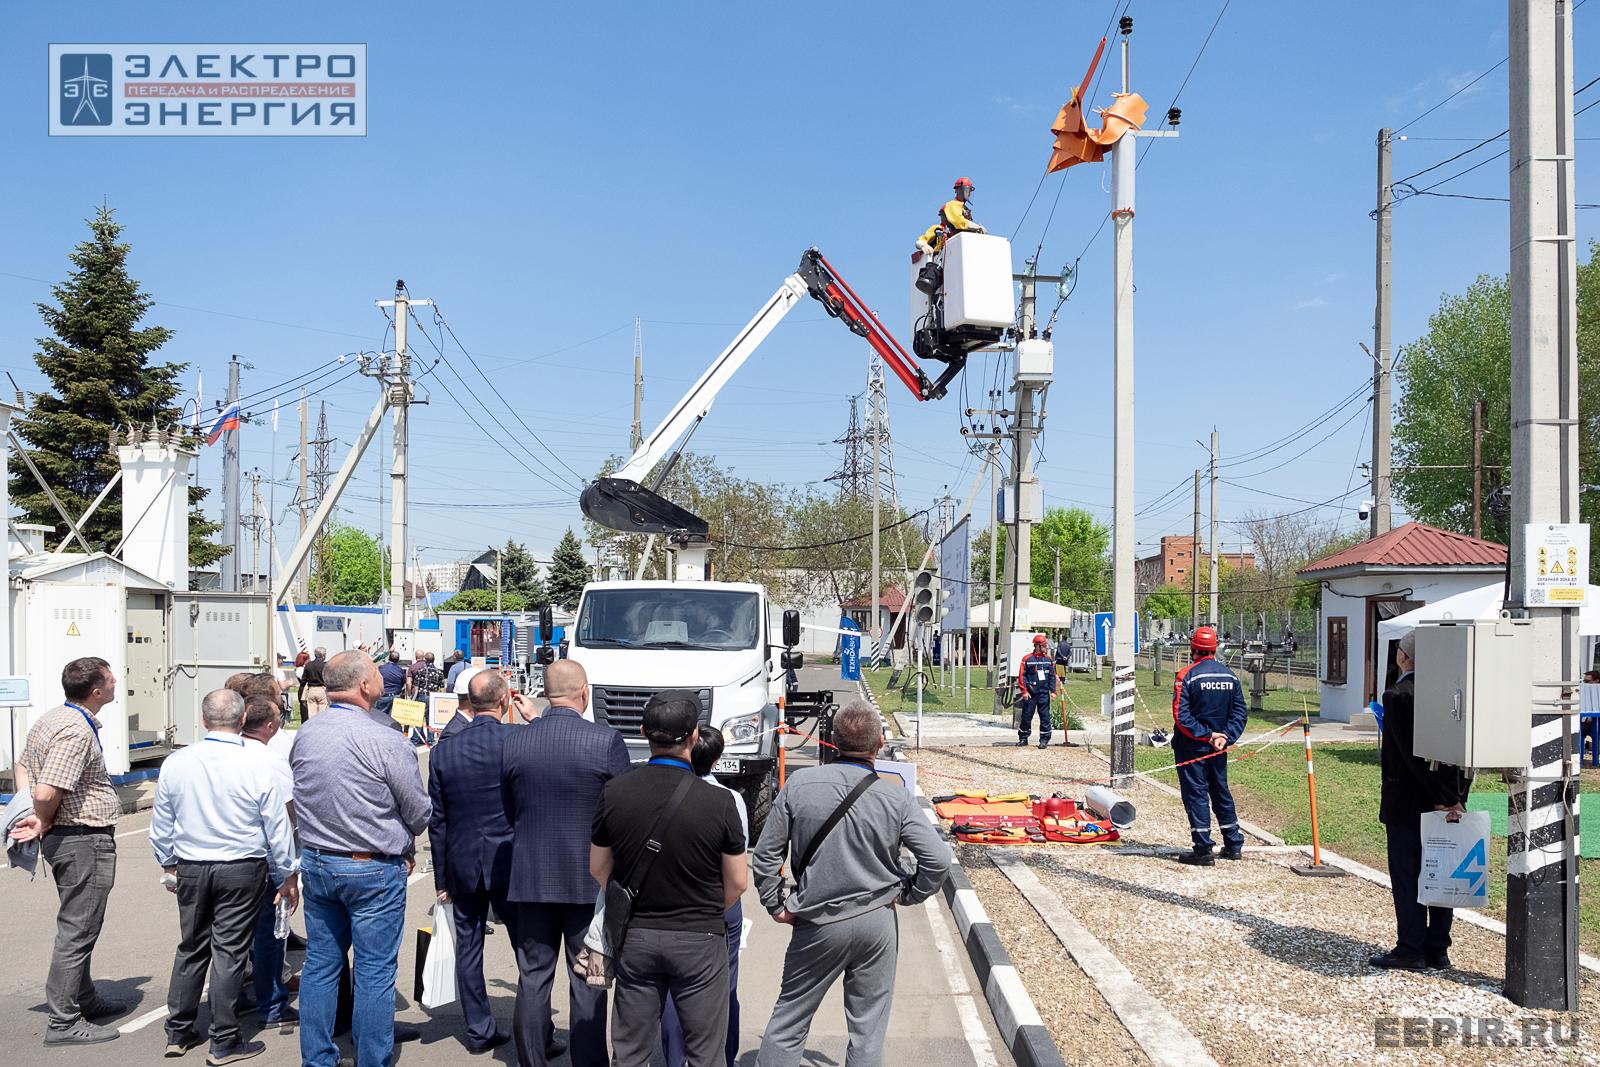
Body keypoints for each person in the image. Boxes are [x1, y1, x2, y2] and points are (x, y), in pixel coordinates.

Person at [752, 701, 950, 1067]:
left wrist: (775, 903)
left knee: (790, 1019)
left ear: (832, 741)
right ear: (877, 747)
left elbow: (766, 856)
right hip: (877, 919)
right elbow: (937, 859)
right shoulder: (895, 796)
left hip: (816, 920)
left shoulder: (799, 786)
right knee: (868, 1027)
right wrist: (909, 892)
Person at [290, 650, 431, 1067]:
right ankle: (372, 1059)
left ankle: (317, 1058)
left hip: (318, 861)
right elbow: (419, 811)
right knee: (373, 972)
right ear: (365, 685)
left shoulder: (307, 734)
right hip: (371, 867)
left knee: (320, 965)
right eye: (374, 676)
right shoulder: (385, 739)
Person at [590, 692, 747, 1067]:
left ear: (644, 731)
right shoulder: (719, 801)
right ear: (694, 736)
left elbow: (598, 867)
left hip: (636, 936)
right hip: (700, 937)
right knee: (705, 1051)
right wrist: (707, 907)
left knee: (630, 1050)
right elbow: (738, 882)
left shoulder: (616, 792)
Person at [151, 689, 299, 1063]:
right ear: (242, 718)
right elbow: (276, 826)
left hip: (191, 864)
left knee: (192, 946)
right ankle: (224, 1038)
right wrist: (287, 873)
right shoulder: (257, 763)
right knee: (230, 951)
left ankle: (179, 1030)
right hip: (241, 864)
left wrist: (168, 861)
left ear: (203, 721)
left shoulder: (177, 761)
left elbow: (162, 820)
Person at [503, 660, 629, 1067]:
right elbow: (621, 814)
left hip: (531, 875)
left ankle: (531, 1060)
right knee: (587, 976)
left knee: (533, 977)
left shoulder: (516, 741)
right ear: (584, 691)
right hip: (588, 879)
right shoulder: (605, 740)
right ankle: (589, 1062)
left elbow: (509, 808)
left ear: (546, 692)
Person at [8, 656, 128, 1046]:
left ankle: (83, 997)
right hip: (81, 838)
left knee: (80, 922)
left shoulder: (53, 718)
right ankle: (63, 1021)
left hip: (71, 838)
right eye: (111, 680)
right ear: (96, 691)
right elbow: (46, 790)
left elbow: (23, 765)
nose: (115, 683)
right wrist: (40, 816)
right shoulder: (76, 731)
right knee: (78, 929)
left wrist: (34, 810)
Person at [427, 669, 522, 1055]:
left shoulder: (444, 749)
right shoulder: (518, 741)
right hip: (511, 859)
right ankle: (538, 1030)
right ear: (503, 701)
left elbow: (439, 820)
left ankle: (479, 1030)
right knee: (529, 950)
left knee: (468, 947)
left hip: (462, 860)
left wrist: (440, 877)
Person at [1372, 630, 1470, 971]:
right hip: (1451, 799)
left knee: (1408, 874)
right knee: (1442, 874)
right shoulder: (1453, 693)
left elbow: (1412, 755)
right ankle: (1438, 948)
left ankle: (1410, 946)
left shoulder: (1398, 695)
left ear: (1403, 657)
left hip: (1409, 801)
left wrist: (1439, 797)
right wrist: (1454, 796)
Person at [660, 726, 747, 1067]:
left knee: (672, 989)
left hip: (673, 899)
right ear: (717, 759)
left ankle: (674, 1058)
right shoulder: (731, 800)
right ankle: (723, 1056)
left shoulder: (662, 795)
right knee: (725, 985)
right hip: (720, 902)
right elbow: (737, 868)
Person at [240, 694, 300, 1031]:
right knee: (268, 935)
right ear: (271, 726)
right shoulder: (269, 760)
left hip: (213, 859)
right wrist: (289, 868)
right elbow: (285, 816)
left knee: (229, 937)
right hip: (261, 856)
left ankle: (230, 998)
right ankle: (271, 1004)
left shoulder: (216, 755)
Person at [1171, 626, 1249, 866]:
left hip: (1191, 748)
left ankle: (1203, 848)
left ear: (1193, 649)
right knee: (1220, 791)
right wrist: (1224, 737)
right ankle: (1233, 843)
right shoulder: (1230, 676)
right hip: (1218, 748)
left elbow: (1181, 717)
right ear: (1215, 649)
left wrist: (1207, 735)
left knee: (1196, 794)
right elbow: (1240, 714)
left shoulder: (1186, 676)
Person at [915, 176, 986, 257]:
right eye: (967, 190)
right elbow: (957, 220)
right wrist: (924, 245)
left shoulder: (964, 209)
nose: (968, 193)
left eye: (969, 191)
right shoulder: (939, 227)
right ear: (958, 190)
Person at [1016, 633, 1058, 748]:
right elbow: (1022, 676)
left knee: (1045, 717)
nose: (1046, 647)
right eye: (1044, 645)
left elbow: (1052, 677)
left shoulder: (1048, 660)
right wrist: (1024, 691)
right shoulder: (1027, 659)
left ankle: (1044, 740)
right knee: (1026, 717)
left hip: (1044, 694)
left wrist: (1053, 691)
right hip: (1030, 694)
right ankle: (1023, 738)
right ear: (1037, 646)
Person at [300, 648, 329, 718]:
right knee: (322, 713)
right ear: (323, 655)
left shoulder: (308, 665)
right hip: (322, 690)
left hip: (311, 690)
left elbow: (303, 680)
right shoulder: (325, 665)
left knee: (311, 714)